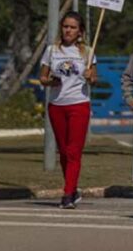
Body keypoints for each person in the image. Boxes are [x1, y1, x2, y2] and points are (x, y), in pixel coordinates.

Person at [39, 11, 96, 209]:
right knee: (63, 151)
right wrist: (50, 81)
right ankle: (73, 189)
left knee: (74, 151)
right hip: (57, 106)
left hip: (79, 104)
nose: (68, 30)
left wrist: (90, 76)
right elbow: (43, 78)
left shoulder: (87, 52)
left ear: (80, 31)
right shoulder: (52, 50)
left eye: (72, 27)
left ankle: (66, 194)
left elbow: (93, 79)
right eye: (65, 26)